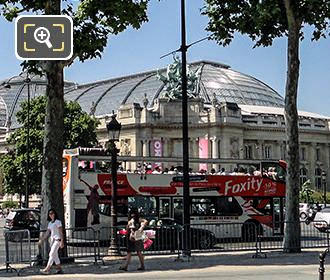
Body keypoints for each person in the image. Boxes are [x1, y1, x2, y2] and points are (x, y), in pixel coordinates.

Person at [39, 209, 64, 274]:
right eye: (50, 214)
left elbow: (61, 232)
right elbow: (47, 232)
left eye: (52, 213)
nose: (51, 215)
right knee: (55, 255)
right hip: (52, 241)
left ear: (54, 214)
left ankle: (47, 269)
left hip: (57, 240)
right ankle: (59, 269)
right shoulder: (50, 223)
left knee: (51, 254)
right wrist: (42, 240)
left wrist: (62, 241)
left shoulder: (58, 222)